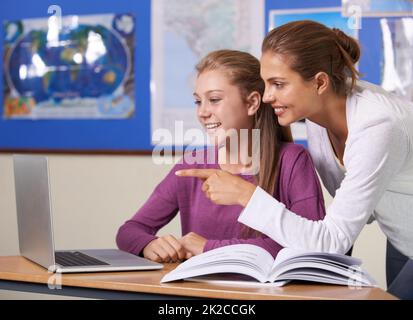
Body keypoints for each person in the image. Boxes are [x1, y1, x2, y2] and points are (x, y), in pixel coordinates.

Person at [176, 21, 413, 288]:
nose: (266, 97)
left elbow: (333, 239)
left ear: (320, 82)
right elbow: (353, 217)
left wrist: (246, 195)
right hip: (402, 234)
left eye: (278, 84)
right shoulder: (316, 116)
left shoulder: (377, 125)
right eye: (266, 84)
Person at [116, 49, 325, 263]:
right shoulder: (193, 165)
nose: (202, 112)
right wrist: (149, 244)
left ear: (252, 103)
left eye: (214, 99)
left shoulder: (292, 161)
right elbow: (129, 231)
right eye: (198, 101)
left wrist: (209, 247)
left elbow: (310, 244)